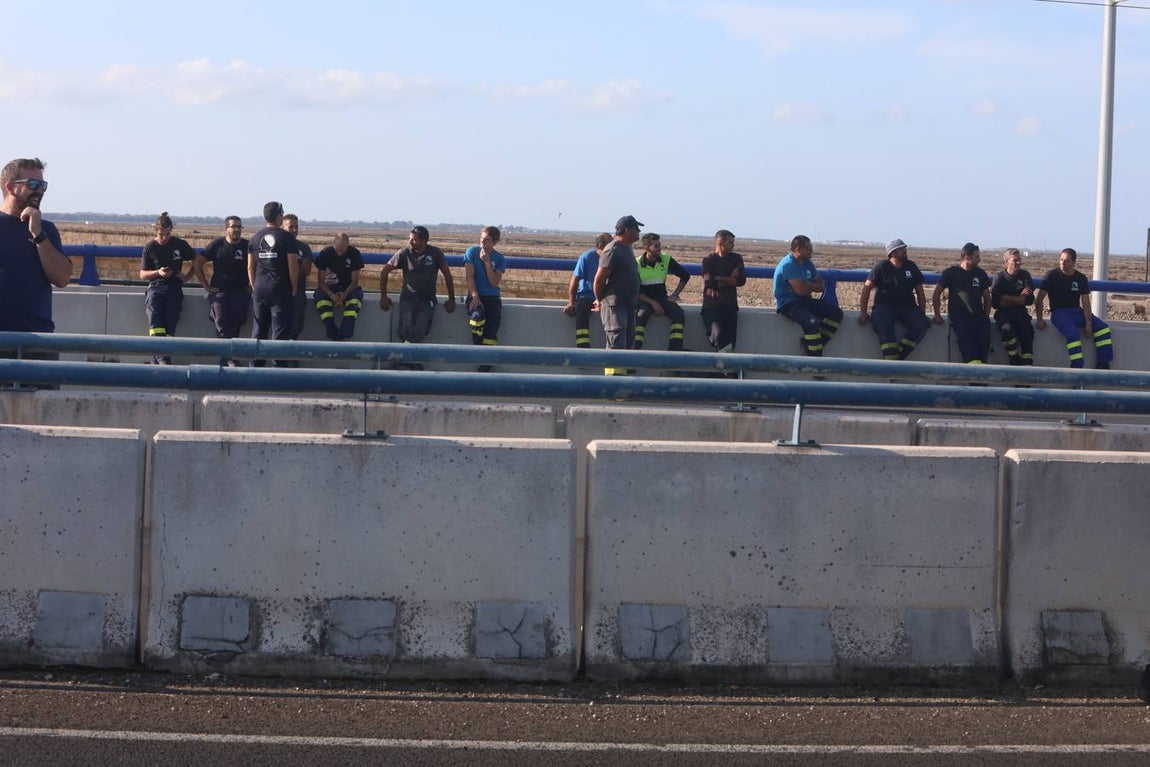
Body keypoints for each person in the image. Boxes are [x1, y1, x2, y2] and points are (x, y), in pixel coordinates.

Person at [0, 157, 72, 380]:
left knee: (40, 413)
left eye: (43, 185)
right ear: (10, 187)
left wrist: (38, 234)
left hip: (39, 343)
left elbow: (62, 278)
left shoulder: (47, 230)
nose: (39, 191)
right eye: (33, 185)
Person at [379, 226, 456, 354]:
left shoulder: (435, 253)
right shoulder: (404, 253)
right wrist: (383, 297)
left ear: (424, 240)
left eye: (414, 240)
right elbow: (384, 272)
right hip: (408, 298)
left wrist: (451, 299)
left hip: (427, 299)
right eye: (410, 239)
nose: (410, 242)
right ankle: (408, 360)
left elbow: (447, 276)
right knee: (406, 329)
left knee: (421, 328)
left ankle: (404, 356)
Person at [1035, 247, 1114, 369]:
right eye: (1061, 259)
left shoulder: (1080, 278)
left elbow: (1086, 302)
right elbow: (1039, 299)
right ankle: (1077, 367)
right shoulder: (1051, 276)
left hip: (1077, 312)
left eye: (1066, 260)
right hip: (1059, 313)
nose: (1062, 263)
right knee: (1073, 334)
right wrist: (1040, 319)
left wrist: (1088, 322)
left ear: (1073, 262)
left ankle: (1103, 364)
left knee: (1103, 328)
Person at [858, 238, 930, 360]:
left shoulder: (911, 266)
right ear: (893, 253)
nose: (905, 251)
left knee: (922, 324)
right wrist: (863, 313)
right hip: (885, 307)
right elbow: (866, 289)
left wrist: (922, 312)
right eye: (902, 249)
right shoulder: (881, 267)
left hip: (908, 307)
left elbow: (920, 292)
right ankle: (890, 359)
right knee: (883, 326)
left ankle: (900, 355)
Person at [247, 201, 300, 367]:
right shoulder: (286, 238)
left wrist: (254, 286)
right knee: (279, 333)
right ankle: (277, 371)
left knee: (258, 331)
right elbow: (293, 265)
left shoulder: (255, 238)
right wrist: (294, 287)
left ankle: (254, 369)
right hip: (280, 290)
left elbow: (250, 267)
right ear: (279, 216)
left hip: (260, 289)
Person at [139, 212, 196, 364]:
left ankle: (164, 357)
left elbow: (197, 260)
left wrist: (186, 276)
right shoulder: (150, 247)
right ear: (156, 231)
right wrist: (158, 272)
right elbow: (143, 274)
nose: (164, 238)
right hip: (156, 286)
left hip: (174, 287)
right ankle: (159, 357)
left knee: (170, 323)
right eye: (161, 234)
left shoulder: (179, 245)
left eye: (167, 234)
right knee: (156, 322)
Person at [773, 234, 842, 356]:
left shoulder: (807, 263)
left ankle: (811, 344)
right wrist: (809, 286)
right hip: (789, 304)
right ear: (799, 250)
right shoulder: (788, 265)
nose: (811, 251)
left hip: (804, 301)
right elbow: (802, 291)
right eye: (808, 248)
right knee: (812, 323)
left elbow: (821, 285)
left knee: (836, 313)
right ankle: (815, 359)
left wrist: (806, 284)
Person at [195, 217, 251, 361]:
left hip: (240, 292)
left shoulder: (248, 246)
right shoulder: (216, 245)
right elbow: (197, 263)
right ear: (226, 228)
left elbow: (257, 267)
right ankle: (227, 359)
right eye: (233, 226)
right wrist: (205, 285)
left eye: (239, 227)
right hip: (219, 292)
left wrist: (253, 286)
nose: (237, 229)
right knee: (221, 324)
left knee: (236, 324)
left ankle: (231, 358)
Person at [593, 215, 643, 375]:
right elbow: (599, 280)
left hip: (628, 305)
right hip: (615, 305)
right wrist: (599, 299)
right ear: (627, 230)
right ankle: (614, 382)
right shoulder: (612, 250)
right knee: (616, 341)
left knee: (627, 343)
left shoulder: (626, 248)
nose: (639, 231)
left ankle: (625, 382)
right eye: (636, 228)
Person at [931, 242, 992, 364]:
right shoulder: (951, 273)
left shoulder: (980, 274)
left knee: (983, 350)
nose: (979, 260)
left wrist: (985, 316)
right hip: (959, 318)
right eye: (976, 257)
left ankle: (982, 379)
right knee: (969, 350)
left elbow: (987, 297)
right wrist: (937, 315)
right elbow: (936, 293)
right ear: (967, 257)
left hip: (979, 318)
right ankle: (974, 380)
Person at [634, 233, 690, 351]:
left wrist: (675, 294)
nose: (660, 248)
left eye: (659, 245)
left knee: (678, 314)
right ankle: (634, 352)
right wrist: (653, 303)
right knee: (641, 316)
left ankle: (675, 351)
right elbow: (636, 291)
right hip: (644, 299)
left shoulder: (666, 259)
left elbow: (685, 276)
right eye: (656, 246)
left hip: (662, 298)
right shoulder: (637, 264)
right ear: (647, 248)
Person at [464, 226, 506, 371]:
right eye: (481, 240)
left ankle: (486, 363)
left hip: (492, 297)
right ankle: (478, 347)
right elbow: (469, 276)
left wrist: (487, 263)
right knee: (477, 317)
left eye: (487, 241)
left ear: (495, 242)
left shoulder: (499, 259)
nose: (483, 243)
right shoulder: (471, 252)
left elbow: (494, 282)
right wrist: (475, 295)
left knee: (491, 330)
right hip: (476, 295)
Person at [700, 229, 746, 354]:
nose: (733, 245)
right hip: (712, 306)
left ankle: (726, 369)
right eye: (730, 242)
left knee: (730, 340)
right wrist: (730, 278)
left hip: (730, 306)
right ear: (720, 244)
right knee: (718, 334)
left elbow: (741, 280)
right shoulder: (708, 260)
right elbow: (709, 282)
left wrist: (718, 279)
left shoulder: (736, 259)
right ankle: (723, 366)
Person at [562, 233, 612, 348]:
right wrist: (571, 302)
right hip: (587, 296)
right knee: (582, 312)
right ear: (601, 246)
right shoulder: (587, 257)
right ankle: (583, 347)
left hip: (605, 297)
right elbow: (575, 279)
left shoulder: (613, 258)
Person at [313, 232, 365, 341]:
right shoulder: (325, 253)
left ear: (348, 245)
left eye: (343, 250)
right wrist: (331, 295)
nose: (340, 253)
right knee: (320, 297)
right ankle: (332, 331)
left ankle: (345, 333)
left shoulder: (354, 254)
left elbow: (355, 281)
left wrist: (345, 293)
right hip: (329, 288)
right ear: (333, 244)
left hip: (348, 287)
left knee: (356, 298)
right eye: (337, 250)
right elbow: (321, 282)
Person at [990, 248, 1036, 366]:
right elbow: (995, 302)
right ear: (1007, 262)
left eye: (1019, 260)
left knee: (1027, 333)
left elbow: (1029, 300)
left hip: (1021, 314)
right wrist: (1018, 299)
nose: (1018, 263)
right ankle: (1014, 358)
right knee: (1007, 330)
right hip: (1004, 315)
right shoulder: (1000, 277)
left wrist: (1006, 298)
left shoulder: (1025, 275)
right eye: (1015, 260)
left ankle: (1027, 366)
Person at [282, 214, 313, 344]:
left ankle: (291, 357)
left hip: (298, 293)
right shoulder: (277, 245)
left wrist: (288, 265)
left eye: (296, 227)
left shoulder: (304, 248)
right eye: (291, 227)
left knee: (295, 326)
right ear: (283, 227)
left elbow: (306, 271)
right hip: (280, 292)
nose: (294, 230)